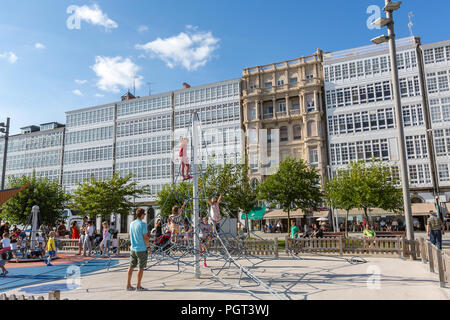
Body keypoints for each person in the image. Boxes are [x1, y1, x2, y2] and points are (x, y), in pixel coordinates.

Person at [126, 208, 150, 292]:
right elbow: (145, 237)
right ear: (142, 215)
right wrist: (148, 247)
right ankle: (138, 286)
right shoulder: (143, 224)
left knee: (131, 267)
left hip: (133, 248)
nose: (145, 216)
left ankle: (128, 285)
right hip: (141, 249)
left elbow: (129, 236)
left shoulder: (132, 223)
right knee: (141, 268)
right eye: (144, 214)